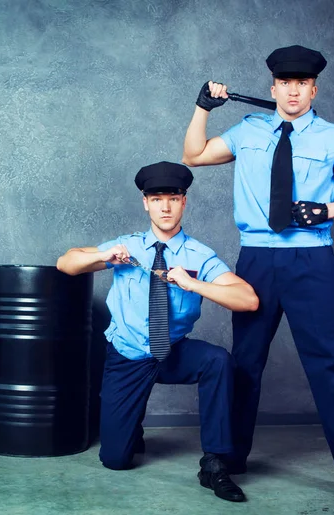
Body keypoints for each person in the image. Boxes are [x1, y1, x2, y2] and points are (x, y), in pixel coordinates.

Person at [182, 44, 334, 508]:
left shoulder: (333, 138)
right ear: (273, 87)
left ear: (313, 89)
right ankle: (229, 458)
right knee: (245, 364)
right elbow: (193, 155)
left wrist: (327, 209)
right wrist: (202, 108)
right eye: (285, 83)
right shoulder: (248, 129)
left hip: (310, 262)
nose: (293, 91)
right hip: (256, 260)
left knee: (333, 367)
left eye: (302, 84)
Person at [57, 161, 259, 503]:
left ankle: (214, 462)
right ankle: (129, 426)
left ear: (184, 201)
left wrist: (194, 283)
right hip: (128, 357)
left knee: (218, 361)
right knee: (116, 460)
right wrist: (104, 255)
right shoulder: (127, 247)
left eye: (173, 197)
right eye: (157, 198)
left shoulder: (199, 255)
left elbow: (248, 299)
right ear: (145, 203)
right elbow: (67, 263)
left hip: (172, 353)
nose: (165, 205)